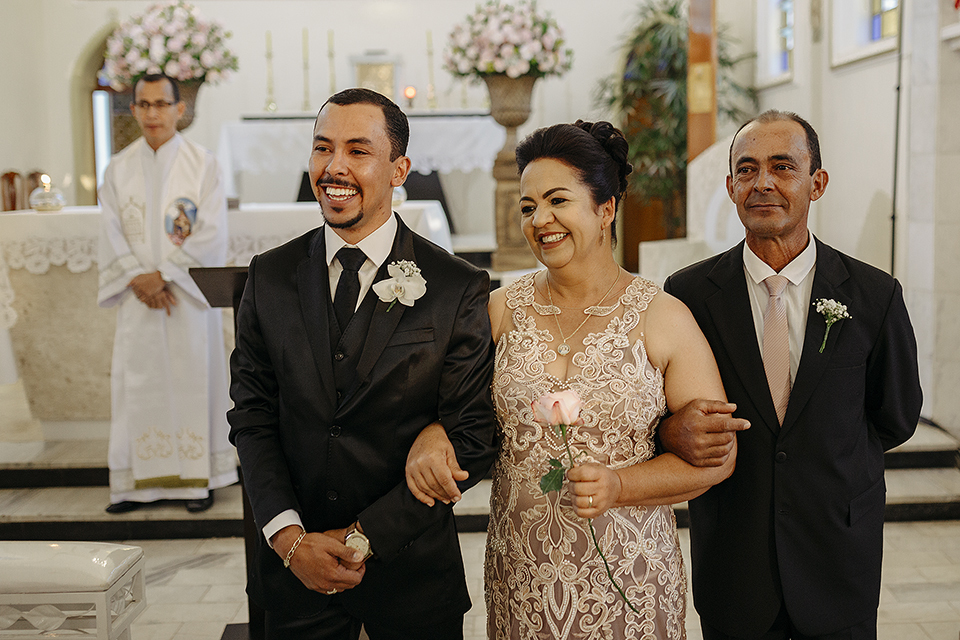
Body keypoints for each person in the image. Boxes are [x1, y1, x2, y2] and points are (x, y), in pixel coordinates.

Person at [406, 120, 740, 639]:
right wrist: (432, 431)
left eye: (558, 200)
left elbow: (718, 461)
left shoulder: (662, 315)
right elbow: (444, 407)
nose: (541, 220)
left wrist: (621, 485)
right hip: (524, 573)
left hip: (631, 574)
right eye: (528, 207)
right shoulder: (499, 310)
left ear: (605, 209)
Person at [226, 88, 498, 639]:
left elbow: (473, 435)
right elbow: (252, 419)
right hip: (294, 581)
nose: (334, 168)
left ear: (400, 169)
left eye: (357, 150)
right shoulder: (270, 276)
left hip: (412, 580)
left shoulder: (456, 287)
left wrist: (361, 538)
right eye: (322, 148)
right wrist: (289, 539)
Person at [659, 110, 923, 639]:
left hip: (837, 558)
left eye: (783, 167)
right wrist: (672, 430)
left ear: (816, 183)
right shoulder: (688, 295)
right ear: (731, 186)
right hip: (735, 559)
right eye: (748, 169)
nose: (764, 183)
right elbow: (660, 413)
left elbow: (895, 417)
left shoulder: (873, 295)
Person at [98, 73, 235, 514]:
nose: (153, 113)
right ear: (133, 109)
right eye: (144, 104)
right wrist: (139, 277)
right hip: (138, 297)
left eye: (162, 104)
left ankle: (198, 481)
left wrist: (166, 274)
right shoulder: (117, 168)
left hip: (185, 298)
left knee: (193, 378)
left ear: (180, 109)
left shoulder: (203, 163)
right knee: (138, 383)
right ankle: (135, 485)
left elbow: (212, 230)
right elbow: (109, 230)